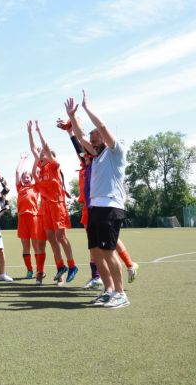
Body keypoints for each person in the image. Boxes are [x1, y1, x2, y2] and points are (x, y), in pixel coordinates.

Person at [66, 90, 130, 308]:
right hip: (95, 208)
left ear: (105, 139)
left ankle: (121, 294)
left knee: (108, 251)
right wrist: (73, 117)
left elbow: (101, 127)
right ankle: (108, 290)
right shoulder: (96, 155)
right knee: (96, 252)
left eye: (96, 140)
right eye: (92, 141)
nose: (92, 143)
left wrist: (86, 108)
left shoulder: (115, 152)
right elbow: (81, 135)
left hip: (110, 207)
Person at [30, 120, 78, 284]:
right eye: (41, 155)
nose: (41, 156)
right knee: (51, 237)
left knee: (61, 236)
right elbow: (33, 151)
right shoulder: (42, 171)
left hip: (57, 204)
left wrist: (39, 131)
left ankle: (72, 265)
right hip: (47, 207)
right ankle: (60, 266)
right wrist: (30, 133)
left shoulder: (55, 167)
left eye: (44, 154)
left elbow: (46, 147)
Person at [15, 152, 46, 282]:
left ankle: (40, 270)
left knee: (37, 247)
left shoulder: (35, 187)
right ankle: (29, 270)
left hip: (34, 218)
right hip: (22, 218)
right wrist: (22, 159)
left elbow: (36, 173)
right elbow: (17, 172)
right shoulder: (19, 188)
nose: (26, 179)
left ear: (31, 178)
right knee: (25, 246)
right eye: (24, 178)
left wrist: (36, 158)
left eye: (28, 177)